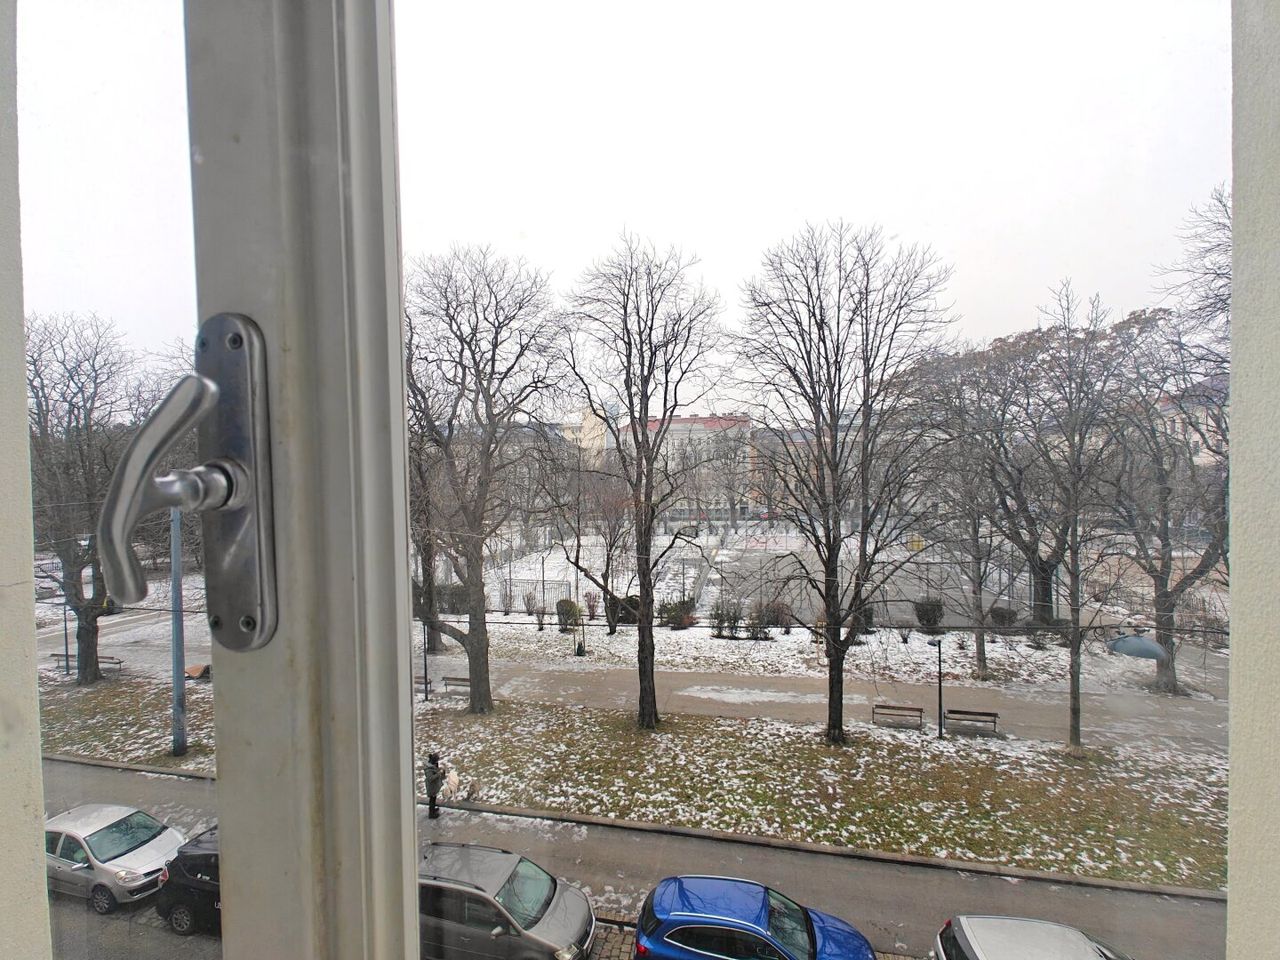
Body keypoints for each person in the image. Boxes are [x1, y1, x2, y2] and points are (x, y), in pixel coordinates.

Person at [425, 753, 443, 820]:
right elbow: (430, 778)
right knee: (432, 800)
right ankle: (431, 814)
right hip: (431, 787)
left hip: (434, 786)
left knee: (434, 798)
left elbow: (435, 770)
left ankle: (433, 809)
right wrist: (439, 773)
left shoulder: (433, 765)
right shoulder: (429, 769)